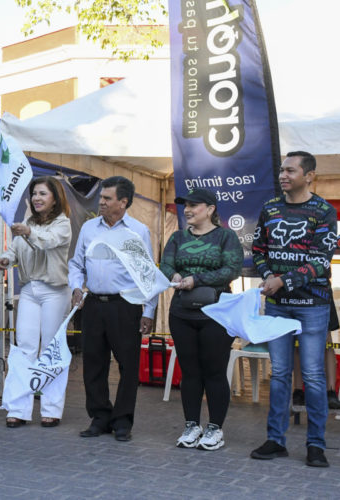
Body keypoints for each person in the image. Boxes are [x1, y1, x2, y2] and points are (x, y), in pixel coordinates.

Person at [250, 151, 337, 468]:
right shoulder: (270, 208)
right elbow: (258, 250)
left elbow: (320, 262)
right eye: (281, 170)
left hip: (313, 305)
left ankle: (316, 445)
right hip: (278, 307)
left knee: (313, 377)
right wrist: (266, 276)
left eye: (290, 170)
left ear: (309, 175)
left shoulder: (324, 211)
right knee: (279, 375)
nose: (283, 175)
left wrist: (282, 281)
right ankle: (276, 440)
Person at [68, 175, 156, 442]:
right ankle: (99, 417)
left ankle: (122, 421)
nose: (101, 202)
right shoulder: (89, 228)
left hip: (126, 305)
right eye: (101, 197)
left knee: (128, 365)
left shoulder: (138, 231)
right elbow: (76, 263)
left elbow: (147, 274)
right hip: (93, 304)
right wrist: (76, 287)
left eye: (107, 198)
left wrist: (149, 311)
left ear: (123, 202)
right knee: (93, 363)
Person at [159, 188, 243, 450]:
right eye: (186, 205)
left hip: (216, 313)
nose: (188, 210)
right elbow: (165, 264)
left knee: (214, 370)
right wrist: (174, 276)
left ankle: (215, 428)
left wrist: (197, 279)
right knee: (190, 371)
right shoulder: (177, 237)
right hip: (182, 312)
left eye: (194, 205)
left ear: (210, 209)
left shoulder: (226, 236)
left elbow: (232, 269)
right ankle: (192, 425)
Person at [0, 176, 72, 428]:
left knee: (51, 350)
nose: (37, 198)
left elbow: (46, 242)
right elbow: (15, 249)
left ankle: (51, 409)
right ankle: (18, 408)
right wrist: (6, 258)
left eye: (43, 193)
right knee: (24, 348)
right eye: (34, 194)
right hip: (29, 289)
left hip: (55, 291)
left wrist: (28, 232)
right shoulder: (27, 222)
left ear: (55, 198)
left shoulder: (63, 224)